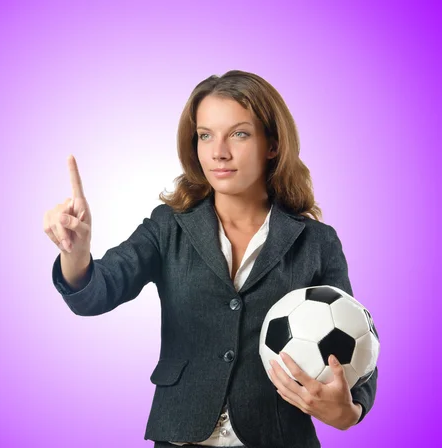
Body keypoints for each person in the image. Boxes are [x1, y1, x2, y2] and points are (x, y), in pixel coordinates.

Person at [43, 70, 377, 448]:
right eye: (205, 135)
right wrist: (76, 252)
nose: (218, 151)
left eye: (239, 133)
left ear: (272, 144)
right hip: (180, 435)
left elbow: (357, 339)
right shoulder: (168, 226)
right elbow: (96, 293)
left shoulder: (317, 242)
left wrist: (350, 411)